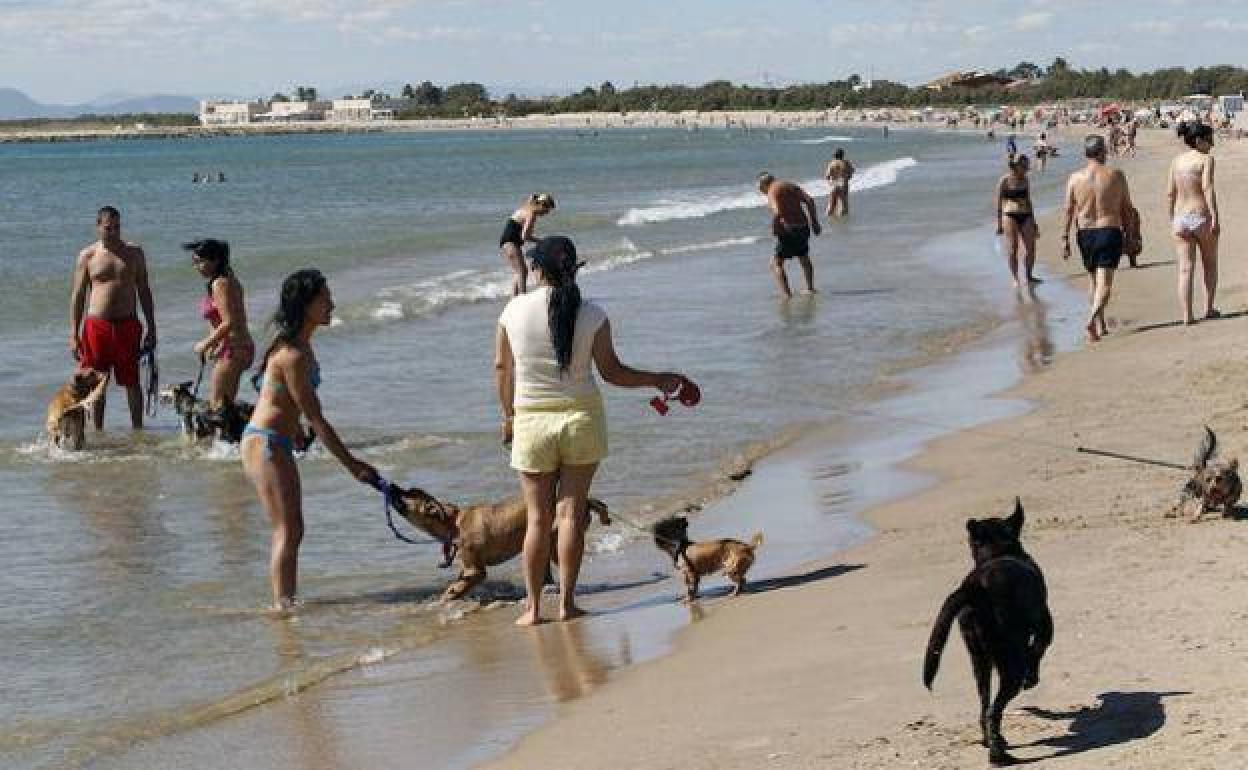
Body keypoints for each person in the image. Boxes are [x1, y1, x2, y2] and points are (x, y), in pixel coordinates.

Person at [495, 236, 697, 626]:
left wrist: (508, 416)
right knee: (570, 516)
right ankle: (568, 603)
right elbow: (613, 373)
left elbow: (502, 369)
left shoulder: (513, 310)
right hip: (582, 421)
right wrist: (660, 380)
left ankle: (534, 609)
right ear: (575, 270)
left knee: (538, 520)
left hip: (532, 422)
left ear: (536, 270)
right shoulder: (593, 314)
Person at [241, 269, 378, 611]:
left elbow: (278, 396)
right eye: (324, 299)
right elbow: (316, 417)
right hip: (265, 443)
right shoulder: (293, 355)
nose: (331, 304)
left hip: (279, 440)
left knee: (294, 529)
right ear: (306, 305)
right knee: (286, 530)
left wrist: (296, 428)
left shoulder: (301, 346)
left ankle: (286, 601)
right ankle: (282, 608)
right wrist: (351, 464)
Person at [69, 206, 157, 430]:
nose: (114, 232)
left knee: (132, 382)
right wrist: (73, 333)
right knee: (97, 382)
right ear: (98, 226)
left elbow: (144, 290)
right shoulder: (88, 256)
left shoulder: (135, 253)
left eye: (117, 227)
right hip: (97, 326)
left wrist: (152, 327)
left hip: (128, 324)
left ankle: (138, 430)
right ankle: (98, 431)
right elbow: (78, 295)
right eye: (109, 228)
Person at [1062, 135, 1135, 343]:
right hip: (1108, 230)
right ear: (1103, 151)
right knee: (1105, 284)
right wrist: (1130, 235)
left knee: (1093, 281)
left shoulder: (1074, 178)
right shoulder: (1116, 175)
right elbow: (1127, 209)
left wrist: (1065, 237)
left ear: (1086, 153)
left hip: (1085, 234)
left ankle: (1101, 326)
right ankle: (1092, 320)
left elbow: (1068, 210)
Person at [186, 239, 255, 407]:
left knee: (217, 406)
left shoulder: (220, 283)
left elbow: (229, 322)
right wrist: (216, 345)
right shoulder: (229, 278)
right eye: (194, 263)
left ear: (215, 260)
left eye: (200, 262)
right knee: (225, 406)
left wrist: (205, 344)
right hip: (237, 347)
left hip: (233, 349)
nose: (197, 267)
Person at [1167, 121, 1221, 324]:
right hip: (1200, 216)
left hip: (1180, 218)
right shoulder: (1206, 159)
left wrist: (1171, 217)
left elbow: (1170, 192)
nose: (1212, 144)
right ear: (1199, 141)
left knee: (1185, 268)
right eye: (1210, 140)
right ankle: (1208, 308)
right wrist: (1215, 215)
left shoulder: (1176, 162)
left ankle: (1186, 315)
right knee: (1210, 263)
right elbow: (1207, 187)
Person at [757, 172, 822, 297]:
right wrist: (814, 222)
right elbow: (809, 200)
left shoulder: (771, 191)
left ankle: (786, 295)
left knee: (776, 263)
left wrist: (775, 228)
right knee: (803, 256)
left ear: (764, 184)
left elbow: (777, 212)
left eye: (760, 189)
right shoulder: (788, 185)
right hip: (803, 226)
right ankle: (810, 288)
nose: (761, 192)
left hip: (789, 229)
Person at [996, 154, 1040, 287]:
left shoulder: (1026, 180)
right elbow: (998, 203)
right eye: (1024, 166)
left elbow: (1028, 200)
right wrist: (999, 224)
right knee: (1013, 248)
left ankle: (1029, 275)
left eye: (1027, 166)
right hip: (1009, 215)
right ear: (1016, 166)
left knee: (1031, 247)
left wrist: (1034, 221)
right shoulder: (1004, 181)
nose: (1027, 168)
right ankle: (1015, 278)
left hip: (1025, 214)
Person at [499, 193, 556, 296]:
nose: (546, 214)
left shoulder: (527, 207)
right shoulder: (531, 214)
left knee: (519, 272)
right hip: (511, 242)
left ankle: (514, 299)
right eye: (547, 210)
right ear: (542, 205)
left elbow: (531, 197)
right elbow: (525, 236)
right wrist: (542, 241)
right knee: (523, 271)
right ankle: (522, 297)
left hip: (508, 242)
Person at [824, 148, 856, 217]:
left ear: (835, 156)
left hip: (833, 185)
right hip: (843, 184)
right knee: (844, 204)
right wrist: (848, 176)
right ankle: (843, 222)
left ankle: (827, 219)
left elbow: (827, 176)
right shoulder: (846, 162)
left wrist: (831, 182)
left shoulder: (832, 163)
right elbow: (852, 171)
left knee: (831, 204)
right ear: (842, 155)